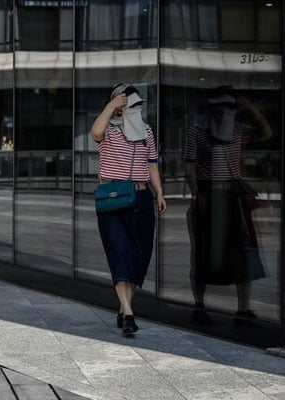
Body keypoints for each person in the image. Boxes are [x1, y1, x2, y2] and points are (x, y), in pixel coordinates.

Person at [183, 86, 272, 322]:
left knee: (242, 251)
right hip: (207, 194)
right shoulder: (197, 131)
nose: (226, 112)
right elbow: (189, 165)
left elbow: (267, 133)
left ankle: (243, 307)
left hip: (233, 195)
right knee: (202, 251)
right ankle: (199, 303)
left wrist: (251, 108)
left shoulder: (240, 131)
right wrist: (196, 194)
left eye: (230, 107)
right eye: (221, 107)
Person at [90, 83, 167, 336]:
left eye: (137, 104)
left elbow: (152, 165)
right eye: (129, 104)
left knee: (137, 254)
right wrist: (112, 106)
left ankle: (125, 308)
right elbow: (95, 132)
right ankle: (129, 313)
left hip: (141, 196)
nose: (135, 109)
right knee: (120, 252)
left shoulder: (146, 131)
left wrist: (160, 193)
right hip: (113, 198)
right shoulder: (109, 131)